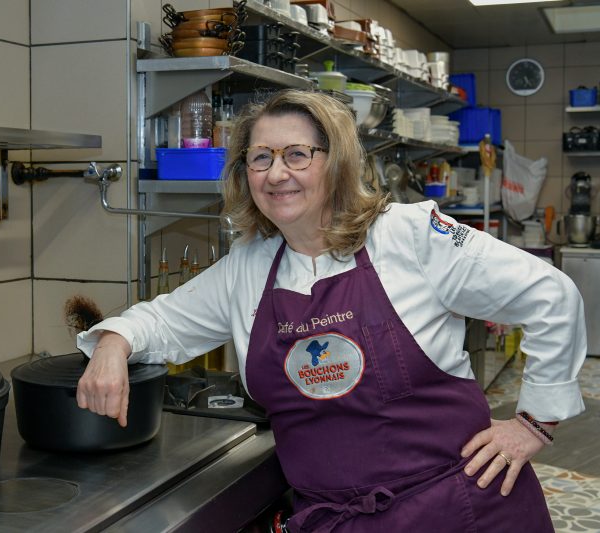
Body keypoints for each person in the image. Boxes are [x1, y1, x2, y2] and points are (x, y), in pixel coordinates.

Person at [76, 89, 586, 532]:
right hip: (337, 520)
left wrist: (533, 423)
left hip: (459, 512)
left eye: (298, 154)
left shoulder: (407, 235)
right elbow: (161, 320)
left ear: (337, 161)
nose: (277, 173)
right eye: (260, 158)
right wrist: (113, 344)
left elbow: (551, 295)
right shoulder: (248, 268)